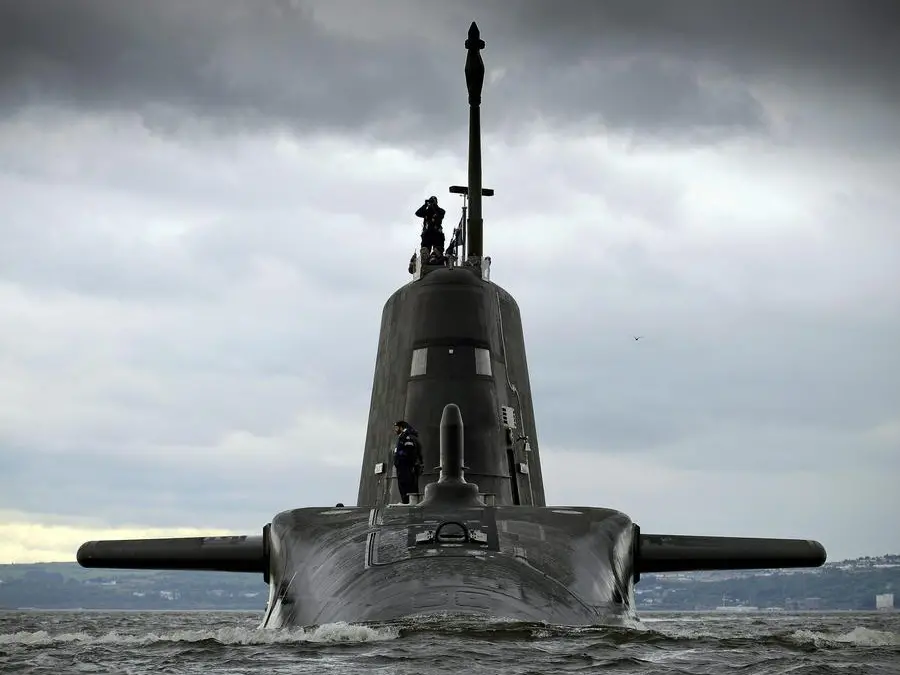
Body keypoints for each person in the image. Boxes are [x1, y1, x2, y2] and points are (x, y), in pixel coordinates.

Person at [392, 420, 423, 504]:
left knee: (407, 486)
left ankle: (407, 503)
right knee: (406, 486)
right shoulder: (405, 436)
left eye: (397, 427)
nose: (395, 430)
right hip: (404, 467)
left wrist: (400, 455)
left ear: (401, 428)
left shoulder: (407, 437)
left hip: (405, 467)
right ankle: (407, 502)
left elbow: (409, 451)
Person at [415, 196, 446, 263]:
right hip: (427, 234)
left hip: (437, 234)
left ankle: (435, 258)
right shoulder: (427, 212)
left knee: (438, 250)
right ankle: (426, 260)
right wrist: (425, 205)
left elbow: (441, 214)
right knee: (425, 250)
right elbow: (418, 213)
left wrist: (434, 206)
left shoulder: (440, 211)